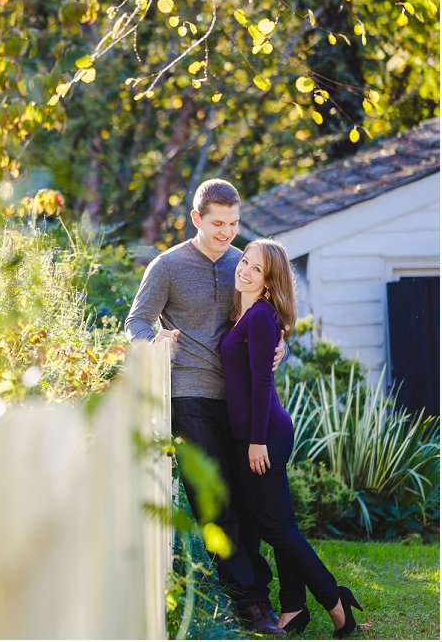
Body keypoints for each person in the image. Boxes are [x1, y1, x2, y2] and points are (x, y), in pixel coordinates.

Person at [125, 178, 284, 635]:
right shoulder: (168, 266)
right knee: (215, 503)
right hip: (189, 394)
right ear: (196, 218)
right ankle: (250, 605)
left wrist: (280, 350)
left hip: (240, 399)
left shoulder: (244, 263)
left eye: (233, 223)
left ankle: (257, 592)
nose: (226, 233)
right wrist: (154, 340)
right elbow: (136, 320)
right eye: (217, 224)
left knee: (249, 503)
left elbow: (270, 322)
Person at [221, 239, 364, 638]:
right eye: (244, 261)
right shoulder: (245, 313)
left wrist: (255, 441)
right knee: (281, 522)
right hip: (256, 433)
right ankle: (293, 609)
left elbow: (263, 381)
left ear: (268, 282)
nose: (244, 270)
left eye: (255, 269)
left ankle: (334, 600)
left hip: (264, 436)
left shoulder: (262, 317)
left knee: (272, 525)